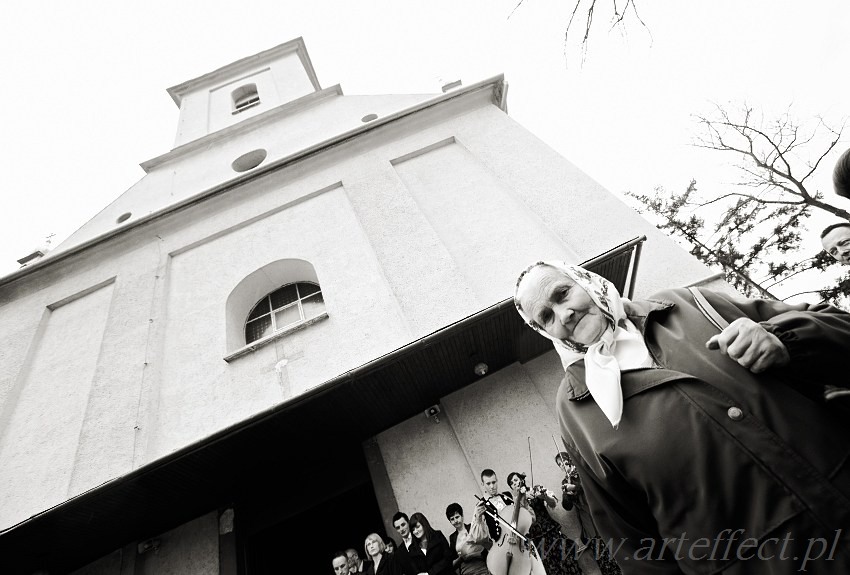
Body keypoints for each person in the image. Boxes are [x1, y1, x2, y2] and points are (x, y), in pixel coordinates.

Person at [514, 261, 850, 573]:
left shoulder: (686, 305)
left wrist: (783, 338)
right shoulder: (576, 408)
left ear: (584, 281)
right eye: (546, 316)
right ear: (544, 331)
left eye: (562, 293)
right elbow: (633, 545)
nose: (565, 313)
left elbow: (841, 331)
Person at [445, 502, 490, 575]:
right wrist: (461, 557)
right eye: (452, 519)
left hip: (481, 566)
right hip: (466, 571)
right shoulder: (452, 537)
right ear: (450, 522)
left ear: (462, 516)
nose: (455, 521)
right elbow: (452, 563)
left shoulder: (472, 528)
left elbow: (486, 544)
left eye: (457, 517)